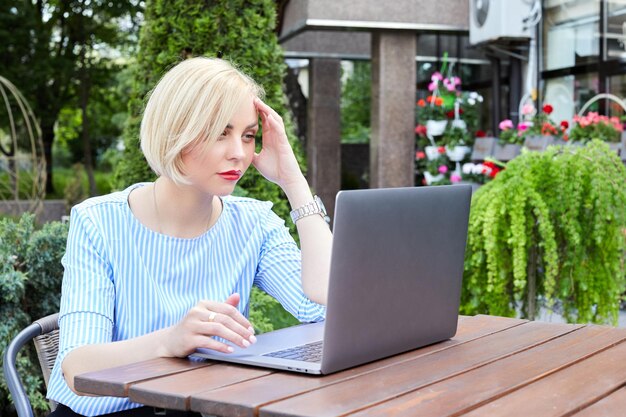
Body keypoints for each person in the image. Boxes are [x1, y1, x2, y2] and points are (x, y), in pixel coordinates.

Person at [46, 57, 332, 417]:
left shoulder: (255, 223)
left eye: (247, 135)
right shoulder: (99, 221)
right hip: (106, 412)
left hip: (200, 408)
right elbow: (78, 367)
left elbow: (326, 306)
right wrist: (170, 340)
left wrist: (294, 182)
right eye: (220, 133)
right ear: (176, 133)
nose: (239, 153)